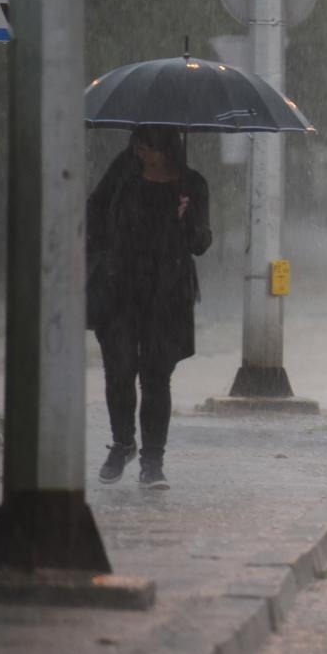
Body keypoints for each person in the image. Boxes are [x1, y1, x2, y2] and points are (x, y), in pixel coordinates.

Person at [86, 125, 212, 489]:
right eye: (138, 146)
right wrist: (106, 253)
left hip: (168, 290)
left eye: (148, 147)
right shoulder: (122, 175)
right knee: (119, 370)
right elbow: (94, 216)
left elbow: (200, 243)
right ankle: (122, 443)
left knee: (156, 376)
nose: (141, 152)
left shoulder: (193, 184)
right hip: (120, 286)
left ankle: (152, 461)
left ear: (166, 147)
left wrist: (186, 218)